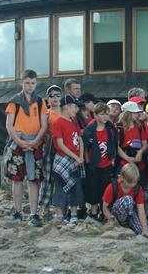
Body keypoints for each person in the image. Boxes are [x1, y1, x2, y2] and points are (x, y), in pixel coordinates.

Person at [4, 69, 48, 226]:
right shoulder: (14, 102)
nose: (30, 86)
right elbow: (9, 124)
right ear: (21, 83)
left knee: (34, 180)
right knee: (17, 179)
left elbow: (44, 125)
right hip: (18, 142)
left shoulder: (40, 102)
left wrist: (36, 141)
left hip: (35, 143)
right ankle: (17, 211)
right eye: (27, 83)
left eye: (33, 83)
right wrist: (19, 141)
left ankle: (34, 213)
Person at [52, 95, 84, 227]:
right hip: (64, 159)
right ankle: (59, 215)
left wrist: (80, 156)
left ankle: (73, 214)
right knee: (61, 187)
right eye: (74, 107)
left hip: (76, 159)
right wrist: (76, 157)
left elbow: (79, 139)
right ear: (66, 107)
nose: (77, 110)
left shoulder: (74, 122)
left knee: (76, 187)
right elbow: (60, 144)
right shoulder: (58, 122)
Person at [82, 102, 117, 220]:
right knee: (93, 189)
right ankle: (93, 212)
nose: (105, 117)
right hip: (94, 164)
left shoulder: (110, 128)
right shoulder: (89, 130)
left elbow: (114, 144)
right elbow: (85, 147)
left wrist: (112, 159)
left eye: (106, 114)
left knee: (105, 189)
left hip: (107, 164)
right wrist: (88, 162)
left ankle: (104, 212)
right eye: (102, 114)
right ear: (95, 115)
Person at [102, 163, 148, 238]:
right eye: (129, 182)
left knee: (143, 231)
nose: (132, 185)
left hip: (130, 214)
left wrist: (145, 228)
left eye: (134, 182)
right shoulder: (112, 186)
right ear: (123, 178)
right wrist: (112, 220)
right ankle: (123, 224)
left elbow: (141, 210)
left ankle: (129, 225)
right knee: (128, 199)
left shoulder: (138, 189)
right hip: (115, 214)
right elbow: (105, 208)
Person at [39, 84, 62, 220]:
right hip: (49, 148)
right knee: (47, 178)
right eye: (51, 95)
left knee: (61, 179)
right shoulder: (45, 114)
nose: (55, 98)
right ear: (47, 99)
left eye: (57, 95)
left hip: (62, 149)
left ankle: (60, 208)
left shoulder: (65, 113)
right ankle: (45, 208)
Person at [116, 102, 147, 182]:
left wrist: (140, 152)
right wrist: (127, 158)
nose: (137, 115)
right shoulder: (119, 127)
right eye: (134, 113)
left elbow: (145, 144)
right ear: (127, 113)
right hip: (124, 162)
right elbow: (117, 146)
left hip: (138, 161)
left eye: (137, 113)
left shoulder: (139, 126)